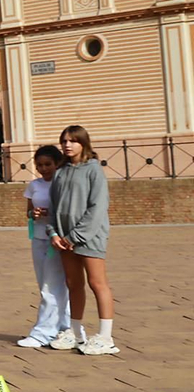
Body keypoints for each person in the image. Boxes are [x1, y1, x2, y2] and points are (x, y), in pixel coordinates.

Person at [50, 125, 116, 356]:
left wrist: (75, 237)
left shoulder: (93, 170)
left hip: (89, 236)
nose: (68, 145)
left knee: (97, 283)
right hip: (64, 238)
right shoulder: (60, 171)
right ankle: (75, 332)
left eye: (73, 141)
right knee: (73, 283)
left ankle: (105, 336)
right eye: (64, 141)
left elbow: (98, 207)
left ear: (83, 143)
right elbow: (53, 207)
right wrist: (54, 234)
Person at [19, 146, 72, 350]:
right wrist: (35, 214)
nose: (44, 169)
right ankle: (64, 326)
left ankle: (44, 332)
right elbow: (29, 212)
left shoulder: (61, 184)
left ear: (57, 163)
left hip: (57, 239)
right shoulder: (34, 185)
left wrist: (53, 213)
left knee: (52, 286)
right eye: (39, 165)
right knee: (45, 284)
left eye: (48, 164)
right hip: (39, 237)